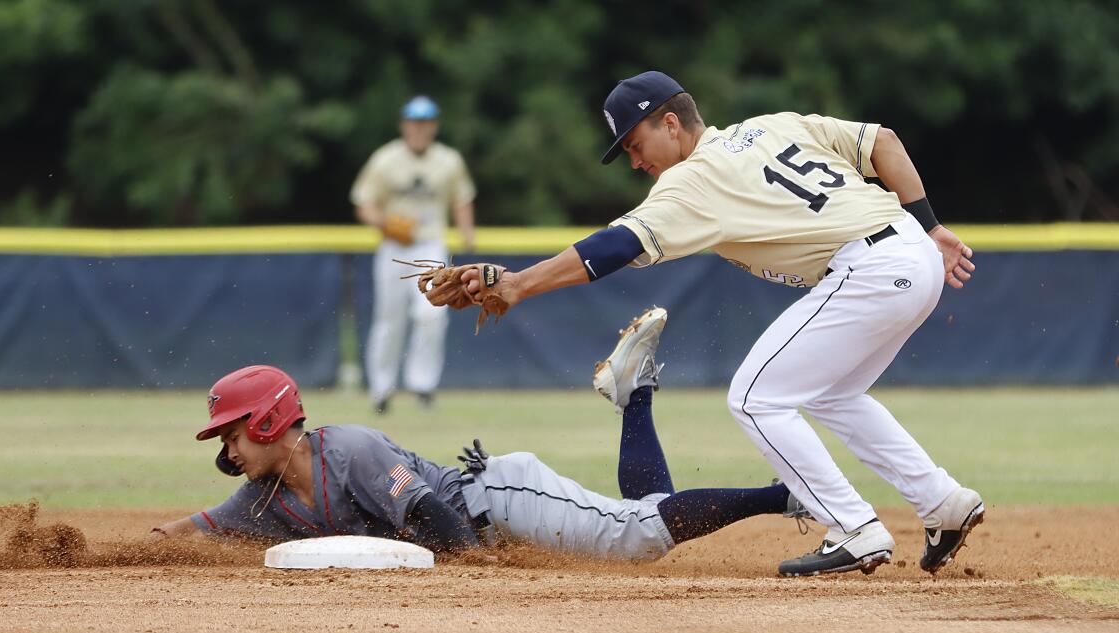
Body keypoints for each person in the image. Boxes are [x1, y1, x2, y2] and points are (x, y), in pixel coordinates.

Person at [455, 71, 983, 577]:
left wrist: (522, 283)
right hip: (912, 252)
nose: (634, 162)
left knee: (754, 397)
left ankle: (853, 526)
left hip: (868, 270)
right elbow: (883, 141)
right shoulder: (772, 125)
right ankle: (941, 501)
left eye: (635, 145)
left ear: (669, 123)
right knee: (831, 395)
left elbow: (617, 244)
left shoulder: (694, 179)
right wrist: (931, 227)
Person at [150, 308, 811, 564]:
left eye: (233, 433)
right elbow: (197, 527)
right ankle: (634, 391)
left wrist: (476, 573)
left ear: (267, 420)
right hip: (489, 515)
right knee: (640, 519)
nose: (227, 451)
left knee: (637, 537)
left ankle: (784, 495)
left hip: (500, 496)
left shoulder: (346, 449)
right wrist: (124, 548)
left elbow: (431, 511)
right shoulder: (263, 500)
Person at [351, 95, 477, 413]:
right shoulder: (386, 159)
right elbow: (364, 204)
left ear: (433, 126)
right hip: (395, 246)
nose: (420, 129)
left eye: (426, 123)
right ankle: (381, 389)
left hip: (430, 245)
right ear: (404, 125)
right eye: (414, 123)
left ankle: (423, 385)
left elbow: (462, 199)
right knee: (389, 318)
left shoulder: (448, 160)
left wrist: (467, 236)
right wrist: (386, 223)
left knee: (431, 315)